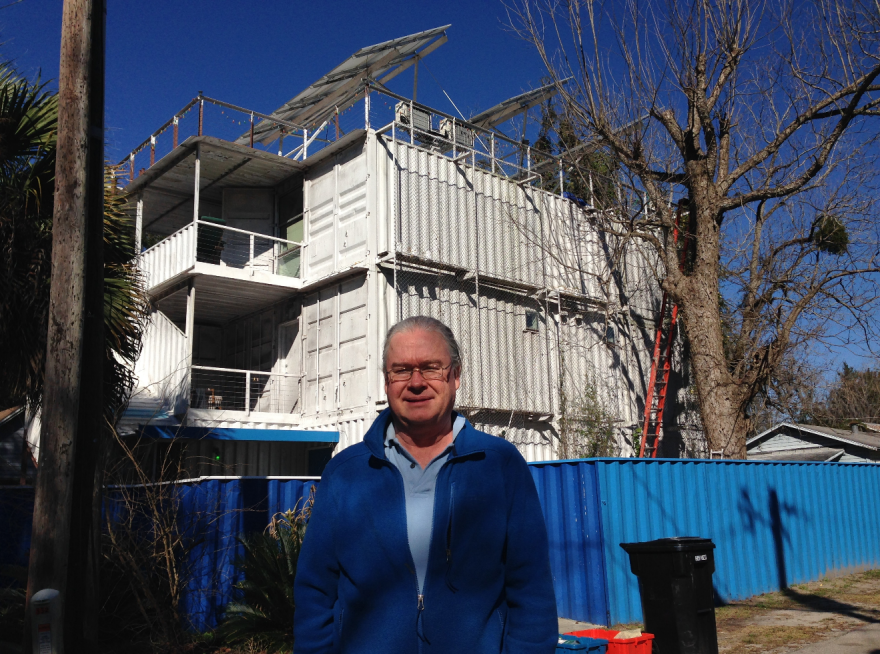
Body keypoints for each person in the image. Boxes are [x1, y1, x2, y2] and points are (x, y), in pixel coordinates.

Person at [293, 316, 558, 654]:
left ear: (455, 376)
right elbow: (316, 591)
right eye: (401, 370)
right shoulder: (346, 473)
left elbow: (531, 588)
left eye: (431, 368)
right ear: (387, 383)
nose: (416, 383)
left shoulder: (500, 466)